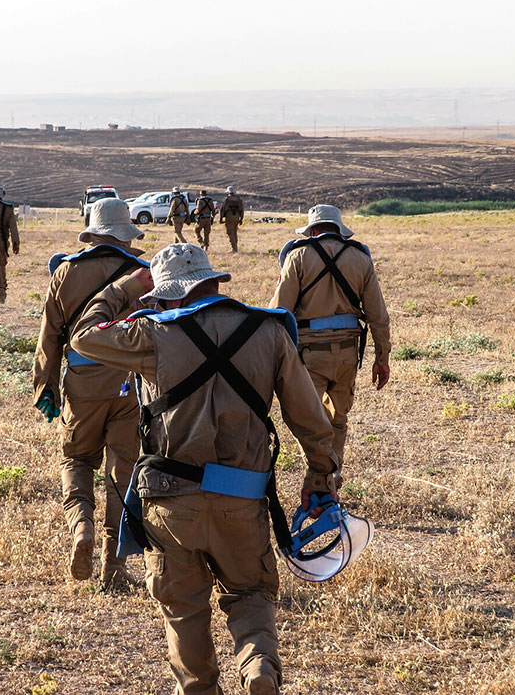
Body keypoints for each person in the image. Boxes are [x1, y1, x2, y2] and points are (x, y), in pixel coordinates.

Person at [72, 243, 341, 695]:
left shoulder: (153, 334)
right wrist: (319, 476)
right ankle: (258, 667)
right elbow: (312, 420)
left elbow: (83, 335)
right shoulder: (269, 331)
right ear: (215, 283)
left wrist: (124, 287)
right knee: (251, 594)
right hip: (243, 497)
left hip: (170, 502)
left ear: (170, 295)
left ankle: (198, 687)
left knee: (183, 607)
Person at [33, 198, 148, 587]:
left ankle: (82, 528)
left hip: (81, 383)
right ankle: (114, 568)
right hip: (130, 385)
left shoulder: (65, 271)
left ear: (93, 232)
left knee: (77, 460)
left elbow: (50, 334)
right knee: (123, 471)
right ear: (124, 233)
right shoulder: (141, 273)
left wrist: (44, 385)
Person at [269, 204, 391, 463]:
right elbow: (378, 317)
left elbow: (279, 313)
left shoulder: (298, 256)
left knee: (309, 423)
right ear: (339, 230)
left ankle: (321, 479)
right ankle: (332, 479)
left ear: (312, 230)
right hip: (348, 354)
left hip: (308, 355)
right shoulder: (361, 258)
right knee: (338, 421)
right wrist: (382, 358)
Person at [218, 186, 244, 252]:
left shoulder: (227, 199)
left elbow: (222, 210)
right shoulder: (239, 199)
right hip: (237, 216)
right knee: (234, 232)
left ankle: (234, 248)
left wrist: (221, 218)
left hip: (229, 216)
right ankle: (235, 247)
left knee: (230, 232)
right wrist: (241, 219)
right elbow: (242, 210)